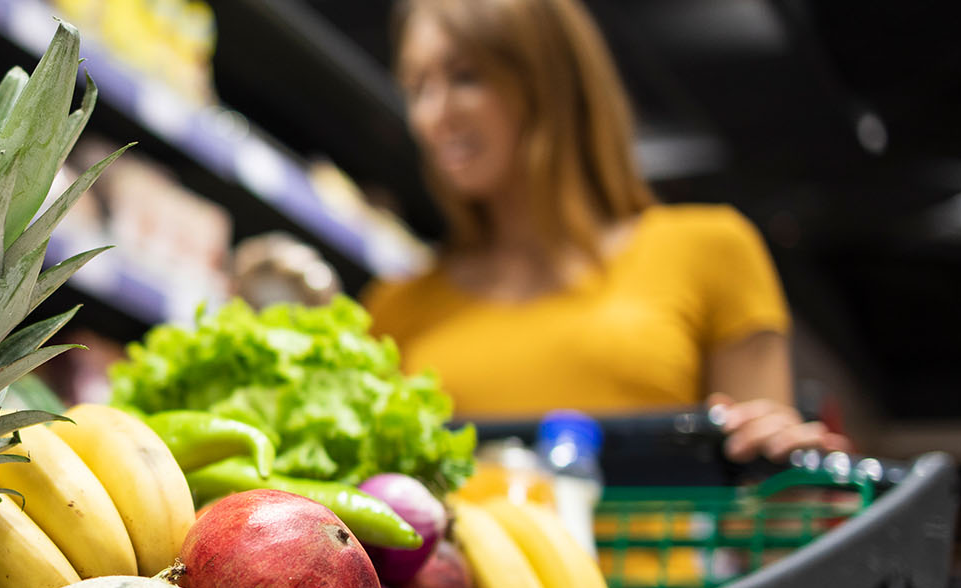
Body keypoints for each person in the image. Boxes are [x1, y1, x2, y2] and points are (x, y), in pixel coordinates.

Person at [362, 0, 850, 463]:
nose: (434, 115)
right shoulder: (393, 308)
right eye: (418, 87)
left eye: (465, 77)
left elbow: (767, 511)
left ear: (549, 80)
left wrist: (787, 465)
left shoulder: (710, 248)